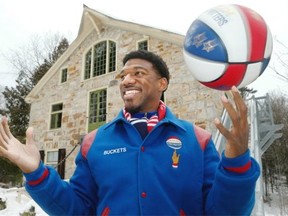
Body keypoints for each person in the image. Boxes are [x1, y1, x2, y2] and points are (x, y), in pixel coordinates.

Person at [0, 50, 260, 215]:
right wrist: (36, 172)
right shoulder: (94, 142)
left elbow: (225, 211)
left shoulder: (197, 140)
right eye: (123, 75)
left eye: (138, 73)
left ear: (162, 84)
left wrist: (236, 162)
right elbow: (77, 209)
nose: (126, 80)